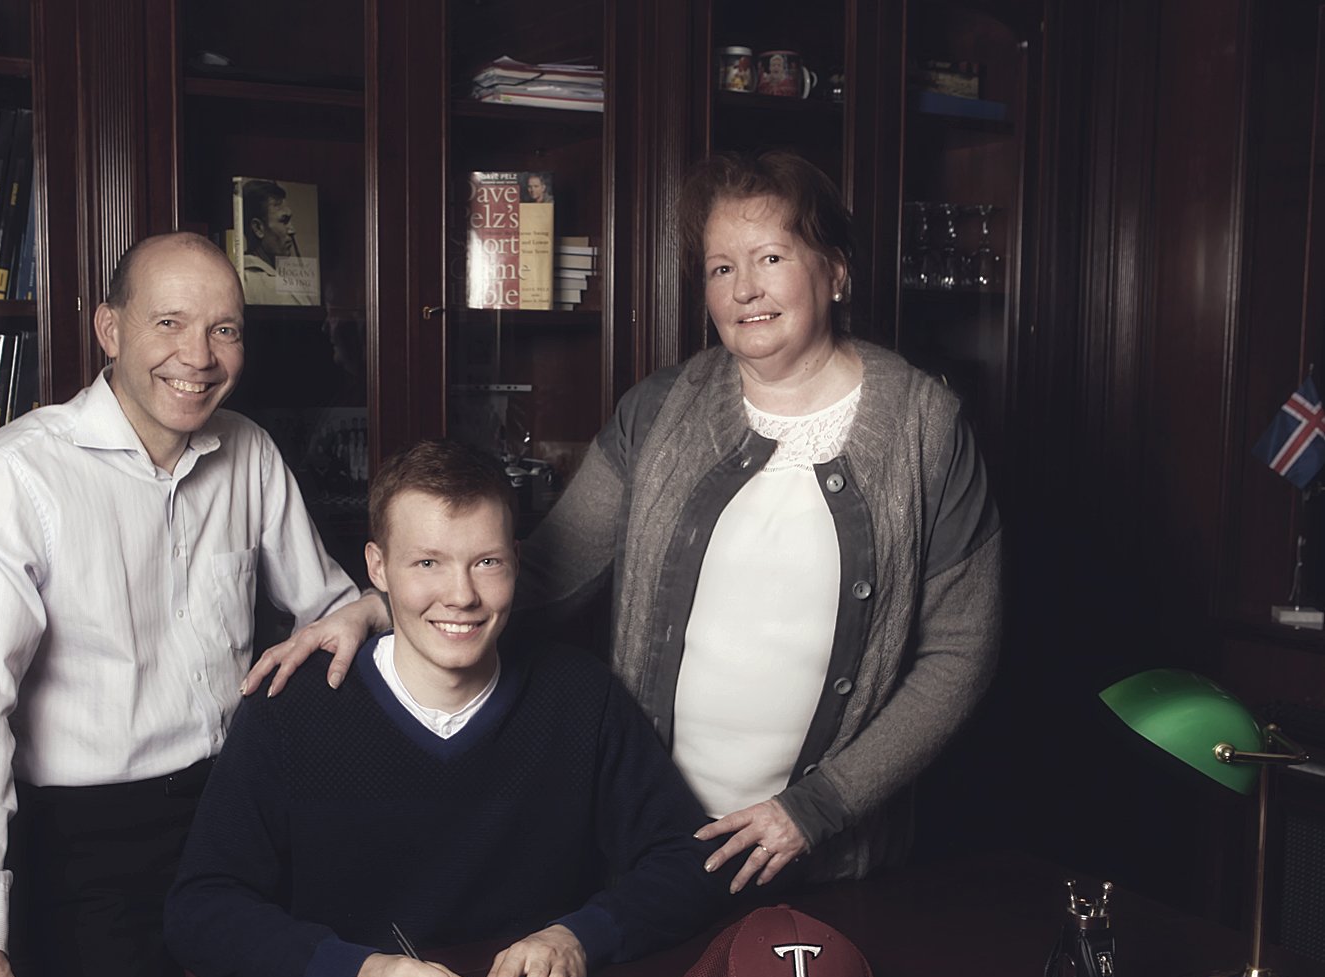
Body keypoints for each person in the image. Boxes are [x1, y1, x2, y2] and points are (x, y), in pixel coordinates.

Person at [255, 149, 1001, 901]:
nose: (744, 289)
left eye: (771, 258)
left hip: (831, 864)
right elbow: (547, 572)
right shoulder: (660, 409)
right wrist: (377, 608)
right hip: (654, 846)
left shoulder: (927, 428)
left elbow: (959, 657)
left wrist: (816, 809)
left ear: (835, 272)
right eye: (720, 268)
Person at [0, 231, 365, 977]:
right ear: (110, 329)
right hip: (88, 841)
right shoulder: (16, 475)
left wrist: (373, 608)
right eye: (170, 323)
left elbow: (331, 612)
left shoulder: (250, 451)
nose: (199, 356)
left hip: (238, 807)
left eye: (224, 329)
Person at [167, 439, 727, 977]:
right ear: (377, 567)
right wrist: (353, 974)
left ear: (516, 561)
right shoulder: (291, 709)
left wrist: (577, 938)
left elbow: (692, 860)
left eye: (486, 562)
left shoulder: (581, 696)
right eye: (427, 563)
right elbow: (202, 908)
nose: (461, 596)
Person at [237, 178, 313, 306]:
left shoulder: (239, 279)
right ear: (258, 228)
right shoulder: (272, 287)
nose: (292, 230)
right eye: (284, 221)